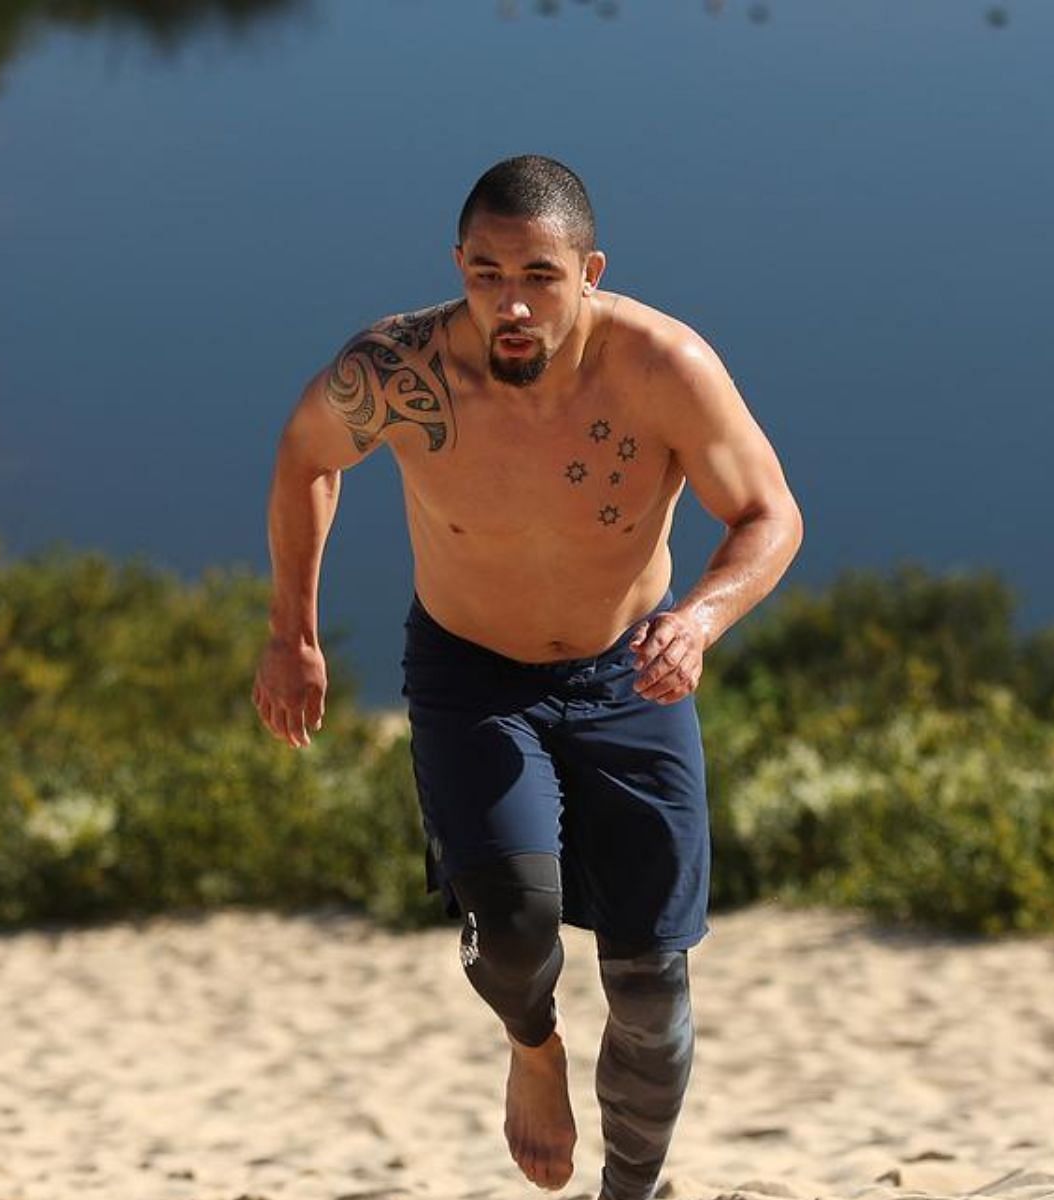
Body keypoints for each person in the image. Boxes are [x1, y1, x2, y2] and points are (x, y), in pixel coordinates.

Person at [253, 155, 802, 1199]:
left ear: (589, 271)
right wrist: (293, 632)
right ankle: (533, 1048)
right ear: (456, 265)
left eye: (541, 276)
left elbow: (770, 514)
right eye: (486, 272)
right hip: (473, 675)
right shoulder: (400, 372)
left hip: (631, 674)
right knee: (512, 929)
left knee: (653, 991)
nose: (511, 302)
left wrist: (701, 621)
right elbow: (305, 455)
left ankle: (628, 1192)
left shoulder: (663, 367)